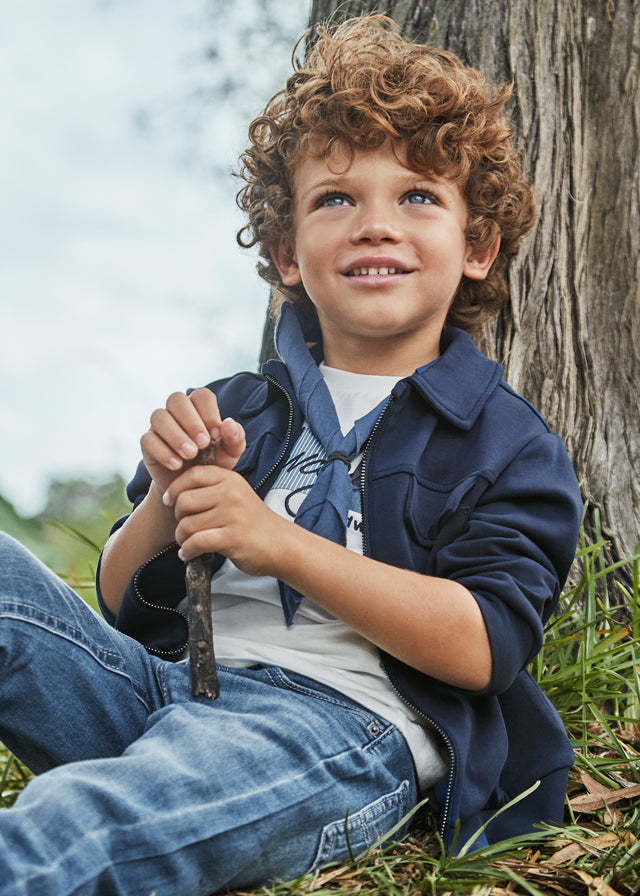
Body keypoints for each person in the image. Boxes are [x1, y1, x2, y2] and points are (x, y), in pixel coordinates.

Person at [0, 15, 583, 895]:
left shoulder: (507, 440)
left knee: (79, 826)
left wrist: (279, 544)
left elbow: (485, 646)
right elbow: (122, 603)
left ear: (478, 246)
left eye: (419, 196)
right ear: (284, 253)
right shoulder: (242, 403)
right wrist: (168, 495)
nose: (375, 224)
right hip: (166, 696)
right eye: (335, 199)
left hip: (337, 732)